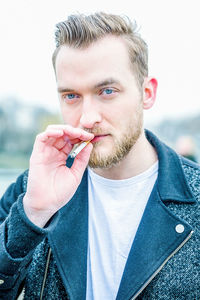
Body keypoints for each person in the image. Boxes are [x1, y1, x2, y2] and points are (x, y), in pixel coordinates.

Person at [0, 12, 199, 300]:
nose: (87, 117)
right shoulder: (30, 192)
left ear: (147, 93)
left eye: (107, 91)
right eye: (71, 96)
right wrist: (33, 214)